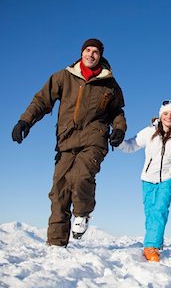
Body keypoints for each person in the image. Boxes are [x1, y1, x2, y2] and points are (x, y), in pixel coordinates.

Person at [12, 38, 127, 247]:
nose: (91, 55)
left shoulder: (109, 83)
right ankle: (56, 245)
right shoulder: (64, 77)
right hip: (66, 141)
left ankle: (82, 214)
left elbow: (117, 112)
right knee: (59, 191)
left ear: (100, 56)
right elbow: (42, 101)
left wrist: (119, 129)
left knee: (81, 176)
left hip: (94, 139)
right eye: (88, 50)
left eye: (95, 52)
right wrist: (25, 121)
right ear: (82, 52)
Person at [117, 100, 171, 262]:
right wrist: (119, 142)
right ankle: (157, 241)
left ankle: (151, 247)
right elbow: (131, 146)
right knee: (150, 213)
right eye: (165, 113)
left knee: (159, 210)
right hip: (148, 178)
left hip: (168, 178)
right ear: (160, 115)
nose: (168, 117)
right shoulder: (149, 132)